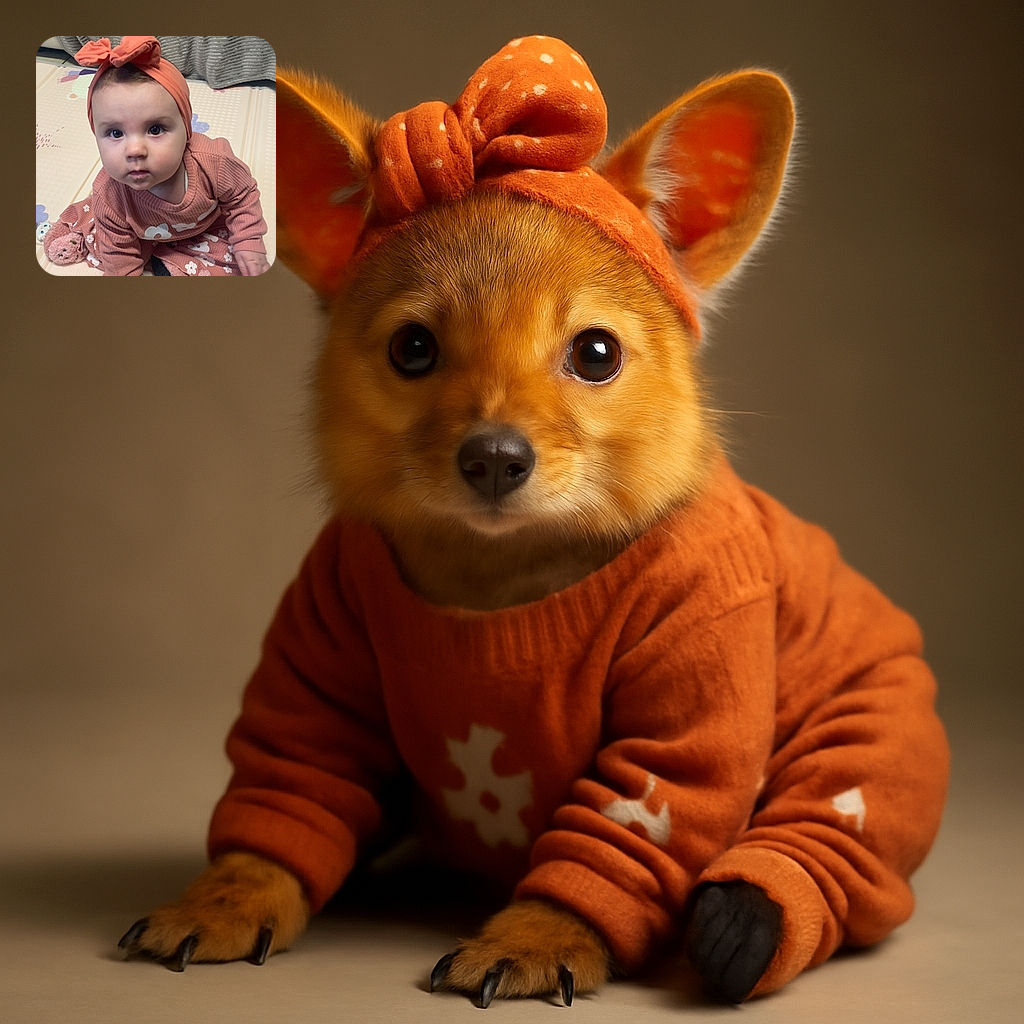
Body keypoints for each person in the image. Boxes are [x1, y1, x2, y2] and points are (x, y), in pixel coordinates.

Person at [44, 36, 269, 276]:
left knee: (234, 263)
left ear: (186, 129)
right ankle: (78, 229)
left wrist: (249, 242)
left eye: (155, 129)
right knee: (104, 229)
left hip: (203, 226)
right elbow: (119, 256)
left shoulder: (215, 163)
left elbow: (242, 198)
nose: (135, 150)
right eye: (115, 133)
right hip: (140, 232)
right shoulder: (109, 194)